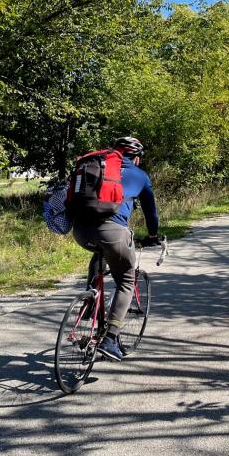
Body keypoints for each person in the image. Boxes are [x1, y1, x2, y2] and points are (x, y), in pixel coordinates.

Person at [71, 136, 159, 361]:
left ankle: (90, 300)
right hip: (112, 233)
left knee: (98, 254)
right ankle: (110, 339)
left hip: (80, 230)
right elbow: (151, 212)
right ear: (136, 158)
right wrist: (152, 235)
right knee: (127, 281)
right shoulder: (139, 175)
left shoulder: (97, 164)